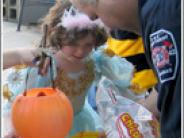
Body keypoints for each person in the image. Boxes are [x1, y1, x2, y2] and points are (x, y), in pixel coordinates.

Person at [3, 1, 136, 137]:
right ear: (57, 37)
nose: (80, 52)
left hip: (82, 122)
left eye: (88, 44)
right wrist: (16, 129)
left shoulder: (96, 60)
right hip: (48, 126)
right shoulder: (47, 65)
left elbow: (124, 83)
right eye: (72, 44)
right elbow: (24, 101)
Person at [68, 0, 181, 137]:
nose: (108, 27)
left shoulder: (165, 24)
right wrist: (134, 115)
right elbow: (167, 87)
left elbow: (176, 124)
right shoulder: (161, 12)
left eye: (96, 16)